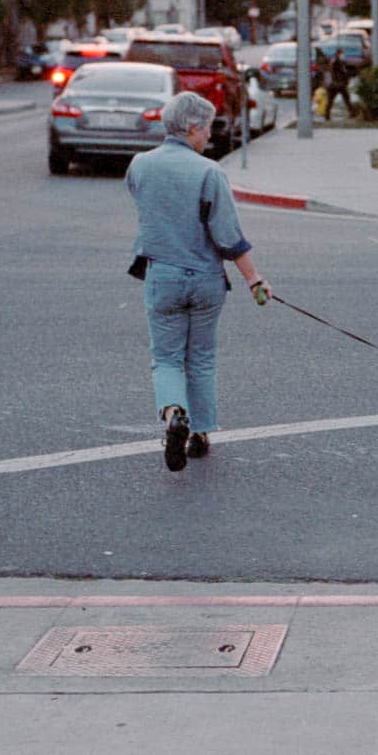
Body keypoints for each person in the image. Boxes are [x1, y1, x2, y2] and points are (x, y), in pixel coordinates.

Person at [126, 91, 269, 472]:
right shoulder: (210, 172)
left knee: (167, 357)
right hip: (205, 280)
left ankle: (174, 413)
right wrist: (254, 280)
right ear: (191, 128)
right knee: (201, 358)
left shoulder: (140, 166)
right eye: (206, 127)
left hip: (163, 277)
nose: (210, 135)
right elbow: (227, 235)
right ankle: (200, 434)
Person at [321, 46, 353, 121]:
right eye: (341, 53)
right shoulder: (335, 62)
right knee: (343, 99)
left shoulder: (338, 62)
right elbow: (337, 73)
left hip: (337, 84)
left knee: (344, 99)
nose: (343, 55)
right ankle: (327, 115)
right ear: (337, 54)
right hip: (337, 84)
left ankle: (327, 115)